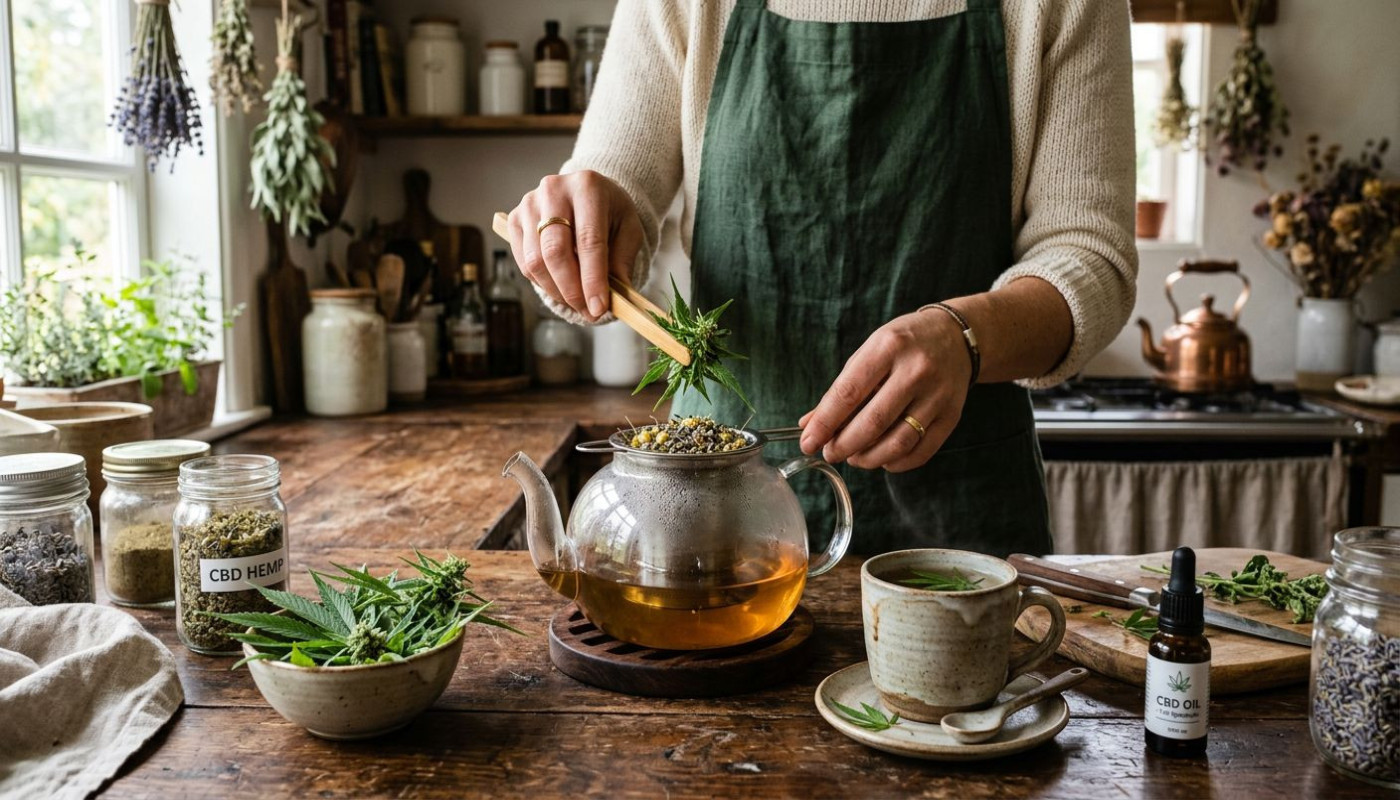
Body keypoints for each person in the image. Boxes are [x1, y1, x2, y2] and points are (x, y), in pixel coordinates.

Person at [505, 0, 1138, 557]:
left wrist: (966, 337)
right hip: (717, 512)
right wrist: (571, 227)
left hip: (961, 528)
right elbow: (610, 190)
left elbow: (1091, 256)